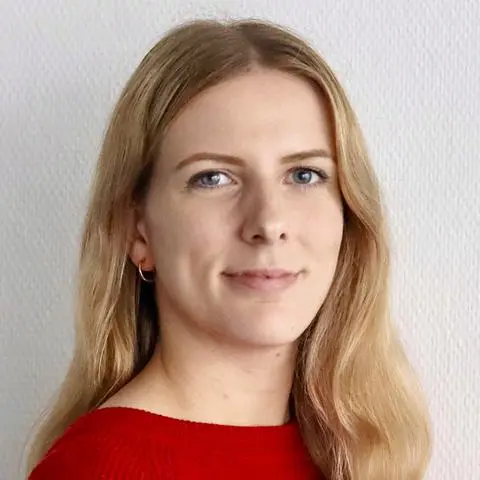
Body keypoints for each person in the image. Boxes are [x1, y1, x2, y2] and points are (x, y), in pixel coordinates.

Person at [24, 18, 431, 479]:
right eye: (213, 178)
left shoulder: (363, 449)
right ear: (138, 231)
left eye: (304, 175)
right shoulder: (99, 468)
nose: (269, 223)